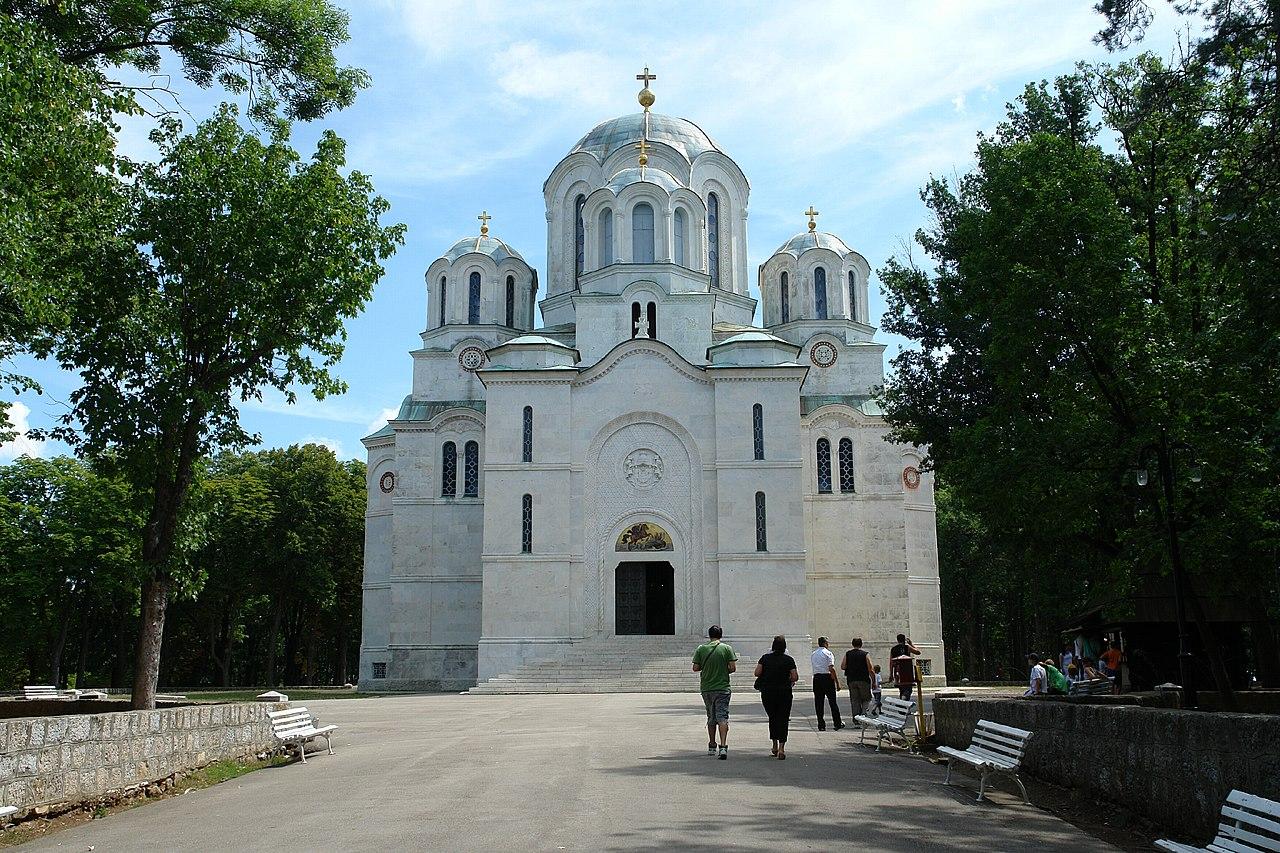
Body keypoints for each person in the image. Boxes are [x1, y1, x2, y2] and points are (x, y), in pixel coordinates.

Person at [692, 625, 738, 759]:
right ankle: (723, 747)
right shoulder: (726, 648)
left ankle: (712, 745)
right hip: (723, 688)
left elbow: (695, 667)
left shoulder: (701, 649)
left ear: (709, 635)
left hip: (707, 688)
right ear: (721, 635)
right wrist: (723, 670)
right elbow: (733, 668)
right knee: (722, 716)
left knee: (711, 717)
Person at [754, 635, 799, 760]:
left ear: (773, 646)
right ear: (784, 647)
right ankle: (781, 748)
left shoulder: (765, 658)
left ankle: (774, 745)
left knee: (773, 717)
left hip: (768, 692)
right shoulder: (788, 660)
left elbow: (757, 673)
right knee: (783, 718)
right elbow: (795, 677)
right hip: (784, 692)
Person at [810, 637, 843, 731]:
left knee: (819, 703)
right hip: (827, 678)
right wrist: (837, 682)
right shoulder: (828, 653)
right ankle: (837, 723)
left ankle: (821, 724)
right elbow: (831, 668)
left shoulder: (813, 654)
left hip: (817, 678)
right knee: (832, 702)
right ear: (825, 643)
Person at [840, 637, 875, 717]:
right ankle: (863, 714)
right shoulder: (865, 654)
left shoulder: (848, 654)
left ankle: (856, 719)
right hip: (863, 680)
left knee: (855, 701)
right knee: (866, 698)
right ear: (861, 644)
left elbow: (843, 666)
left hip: (851, 680)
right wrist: (874, 681)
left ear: (852, 644)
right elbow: (870, 669)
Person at [889, 633, 921, 700]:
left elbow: (891, 663)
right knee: (908, 690)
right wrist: (911, 644)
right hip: (907, 672)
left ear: (897, 640)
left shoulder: (893, 649)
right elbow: (918, 652)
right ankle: (903, 702)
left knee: (901, 690)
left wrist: (891, 674)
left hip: (897, 673)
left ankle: (902, 706)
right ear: (904, 640)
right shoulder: (907, 647)